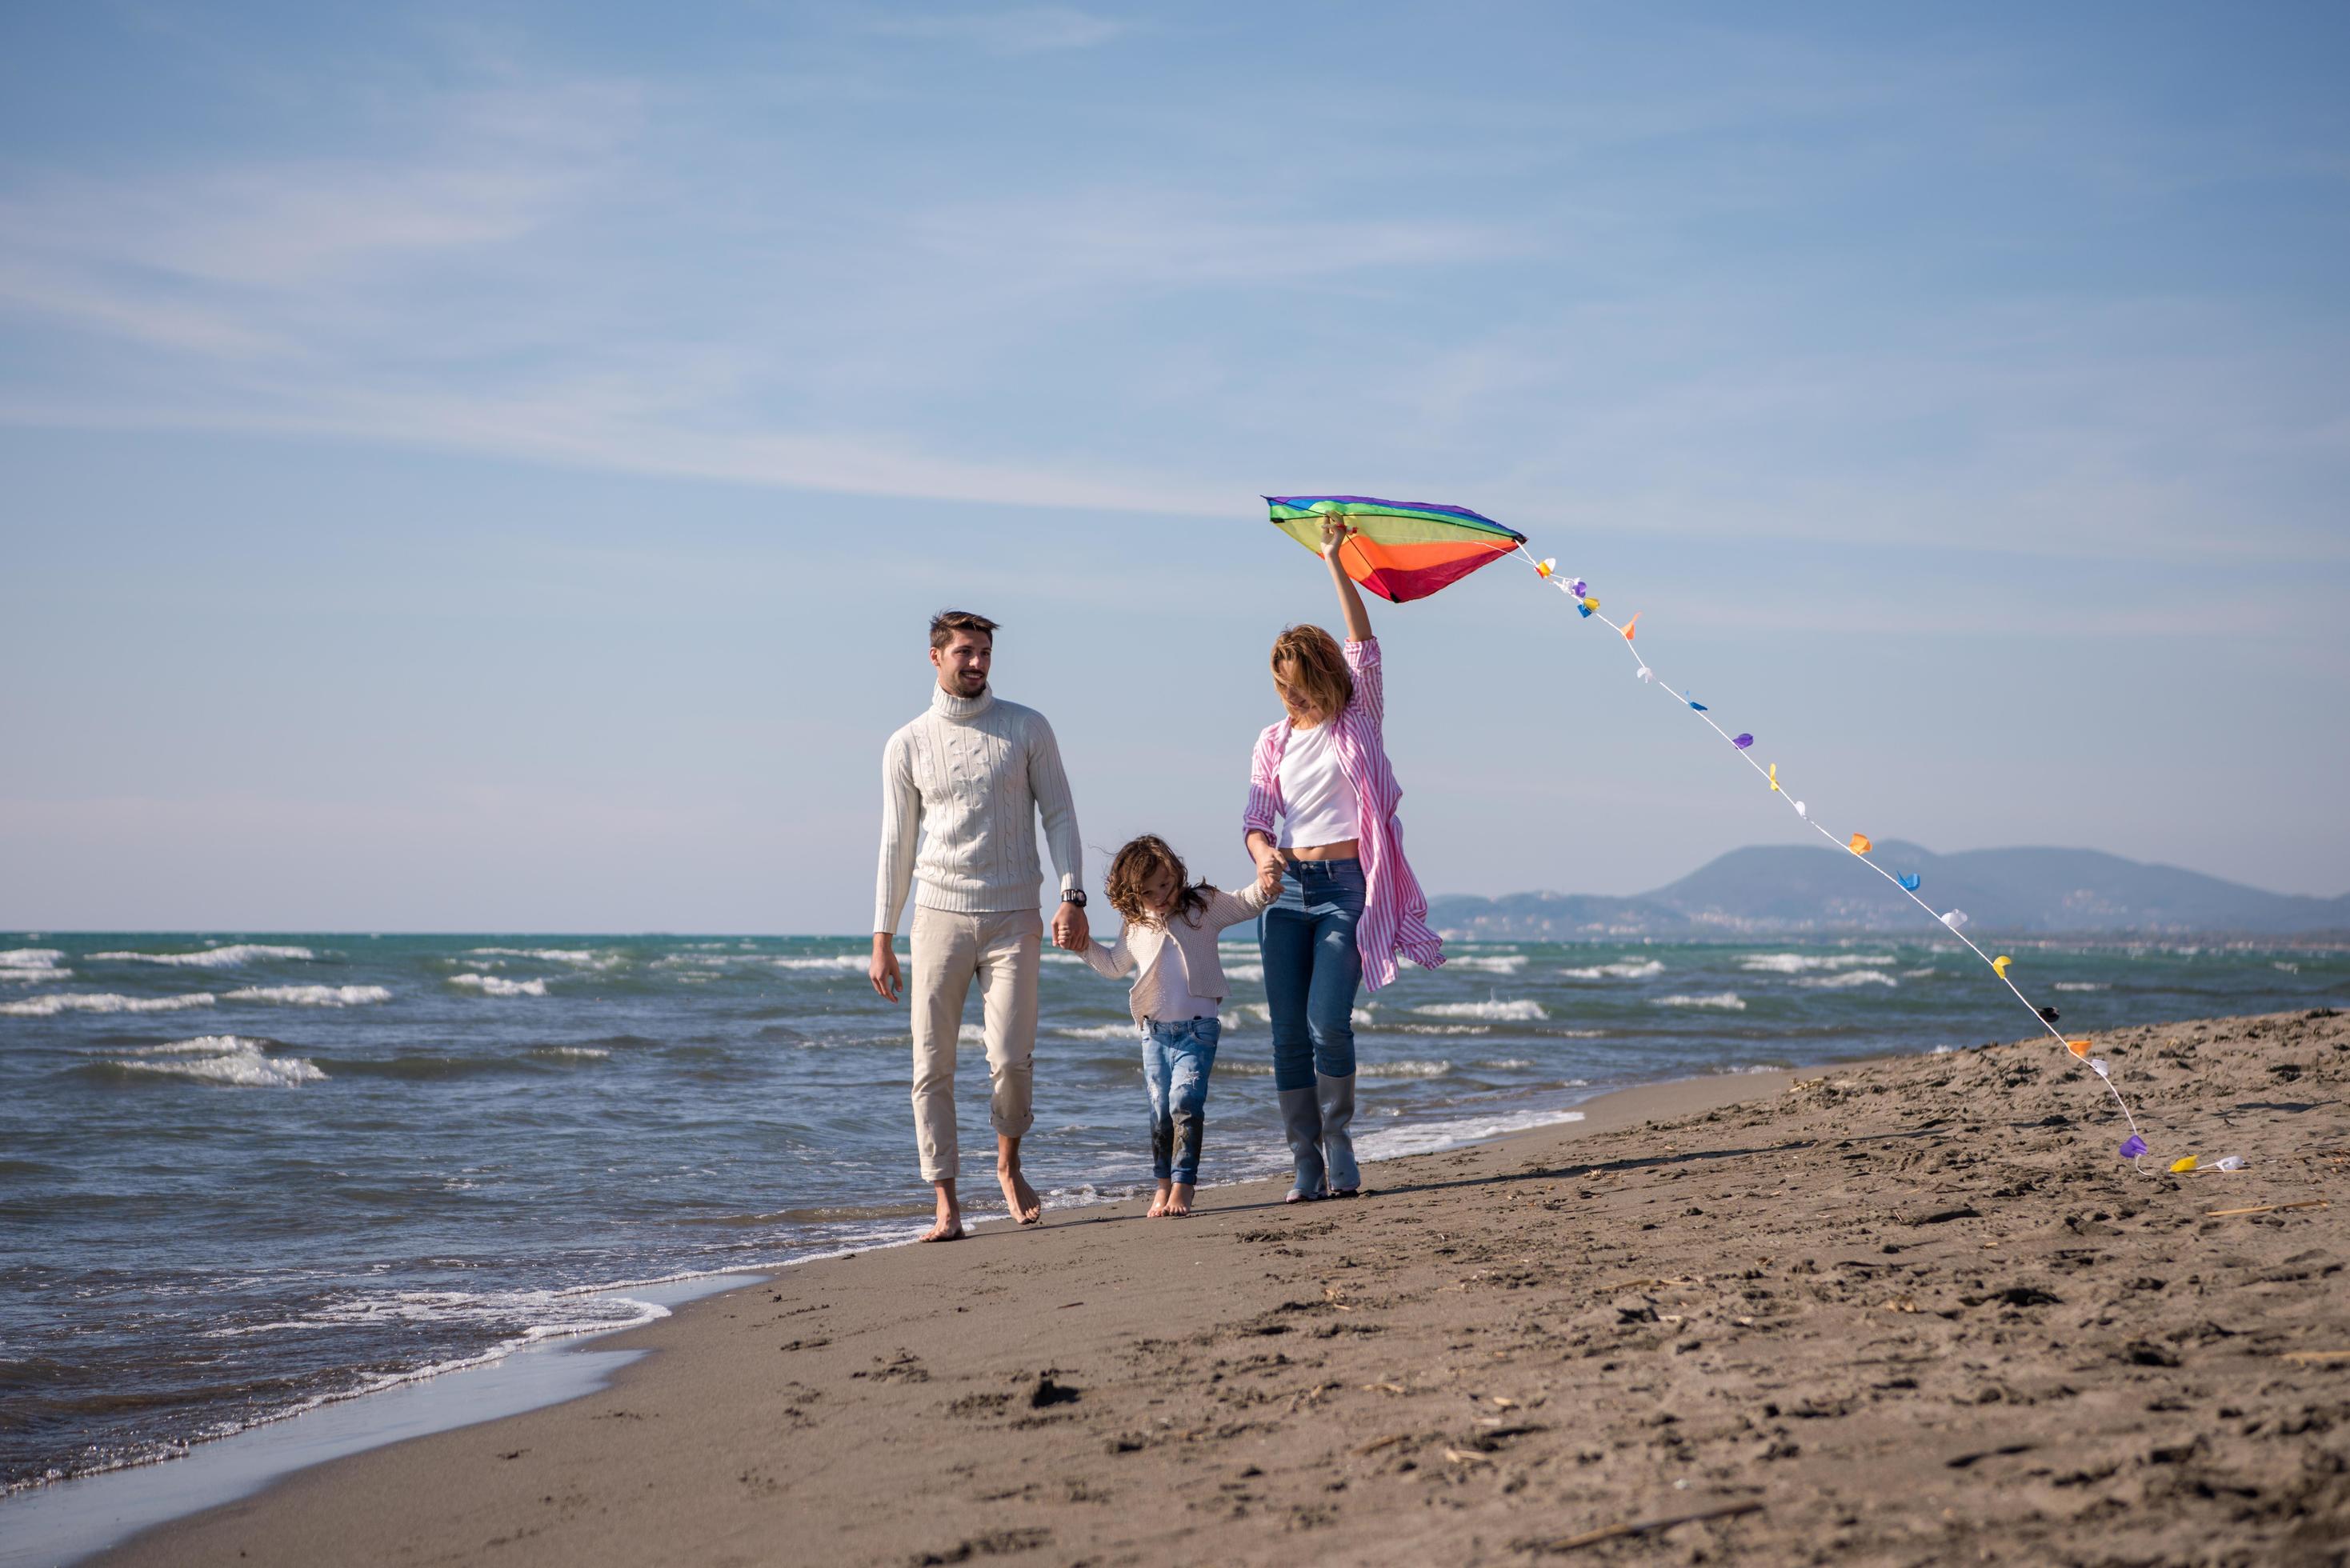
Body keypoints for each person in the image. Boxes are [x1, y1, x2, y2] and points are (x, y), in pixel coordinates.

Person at [1243, 518, 1445, 1202]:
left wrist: (1334, 559)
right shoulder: (1271, 742)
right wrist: (1264, 854)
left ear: (1323, 675)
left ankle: (1338, 1141)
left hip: (1345, 888)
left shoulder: (1359, 718)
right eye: (1281, 684)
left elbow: (1363, 642)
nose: (1290, 695)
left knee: (1327, 1020)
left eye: (1298, 681)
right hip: (1286, 892)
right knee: (1284, 1036)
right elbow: (1254, 818)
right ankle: (1304, 1163)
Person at [871, 610, 1089, 1242]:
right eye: (964, 651)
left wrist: (1070, 893)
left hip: (1014, 912)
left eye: (985, 652)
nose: (976, 663)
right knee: (930, 1065)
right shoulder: (906, 742)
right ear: (934, 656)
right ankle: (945, 1203)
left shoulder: (1026, 727)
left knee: (1011, 1059)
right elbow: (896, 842)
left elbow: (1060, 815)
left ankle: (1007, 1162)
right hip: (937, 916)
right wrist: (882, 936)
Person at [1078, 835, 1283, 1218]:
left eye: (1166, 884)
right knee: (1159, 1110)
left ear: (1176, 875)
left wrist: (1267, 884)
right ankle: (1161, 1186)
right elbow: (1113, 966)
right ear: (1131, 892)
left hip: (1198, 1030)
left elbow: (1246, 901)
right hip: (1153, 1033)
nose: (1160, 896)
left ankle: (1184, 1185)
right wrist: (1081, 945)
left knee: (1184, 1102)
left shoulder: (1202, 906)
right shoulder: (1135, 924)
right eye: (1149, 890)